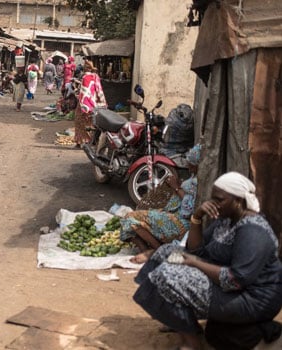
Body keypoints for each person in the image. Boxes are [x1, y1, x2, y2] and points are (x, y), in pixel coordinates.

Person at [133, 171, 282, 350]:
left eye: (219, 200)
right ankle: (176, 318)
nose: (213, 204)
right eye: (213, 199)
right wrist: (197, 216)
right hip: (227, 284)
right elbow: (196, 250)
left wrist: (194, 263)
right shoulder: (227, 220)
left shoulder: (253, 231)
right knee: (166, 253)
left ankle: (191, 342)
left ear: (239, 201)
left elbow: (235, 279)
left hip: (252, 300)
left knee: (168, 276)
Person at [120, 144, 201, 263]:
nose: (187, 165)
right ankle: (147, 251)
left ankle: (157, 252)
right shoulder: (193, 177)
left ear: (196, 164)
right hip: (172, 215)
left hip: (181, 223)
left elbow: (189, 209)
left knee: (129, 219)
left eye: (190, 163)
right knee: (129, 220)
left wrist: (176, 188)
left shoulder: (197, 183)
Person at [75, 60, 106, 147]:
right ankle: (93, 141)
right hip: (94, 103)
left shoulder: (85, 77)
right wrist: (102, 102)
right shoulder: (96, 76)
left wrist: (83, 103)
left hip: (84, 104)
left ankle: (80, 142)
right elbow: (99, 90)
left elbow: (83, 92)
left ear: (85, 68)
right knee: (92, 123)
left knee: (79, 122)